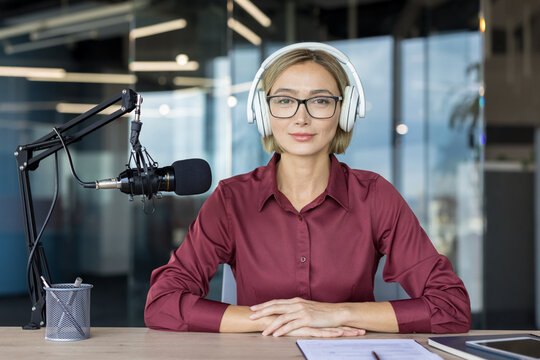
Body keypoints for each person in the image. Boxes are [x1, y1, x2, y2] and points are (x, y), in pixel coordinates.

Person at [144, 43, 471, 337]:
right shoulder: (232, 199)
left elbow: (451, 308)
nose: (301, 117)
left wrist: (334, 313)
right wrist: (277, 320)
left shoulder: (375, 196)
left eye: (320, 101)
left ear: (343, 112)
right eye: (284, 100)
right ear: (263, 113)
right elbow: (162, 304)